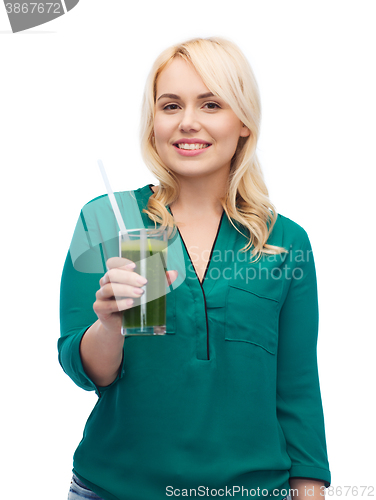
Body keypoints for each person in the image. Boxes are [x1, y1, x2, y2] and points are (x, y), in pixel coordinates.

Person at [59, 36, 331, 500]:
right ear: (153, 123)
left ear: (242, 122)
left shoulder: (285, 243)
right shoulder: (107, 219)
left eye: (210, 104)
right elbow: (88, 372)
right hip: (116, 488)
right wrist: (109, 326)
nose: (188, 122)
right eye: (170, 106)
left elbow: (298, 384)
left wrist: (309, 488)